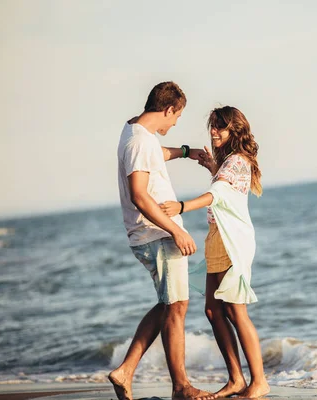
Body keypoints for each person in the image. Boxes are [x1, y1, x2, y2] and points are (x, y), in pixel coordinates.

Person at [110, 81, 213, 400]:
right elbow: (140, 196)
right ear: (168, 109)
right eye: (177, 116)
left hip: (151, 234)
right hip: (155, 234)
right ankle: (181, 387)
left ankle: (125, 370)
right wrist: (176, 230)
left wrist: (184, 152)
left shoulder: (136, 133)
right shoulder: (139, 142)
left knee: (171, 303)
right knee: (177, 306)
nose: (176, 122)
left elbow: (154, 155)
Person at [160, 106, 270, 399]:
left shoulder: (236, 161)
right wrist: (212, 167)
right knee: (213, 310)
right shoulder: (229, 163)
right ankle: (236, 379)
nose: (213, 131)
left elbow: (219, 195)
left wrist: (181, 207)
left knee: (235, 310)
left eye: (220, 127)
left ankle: (258, 382)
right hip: (217, 239)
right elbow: (226, 188)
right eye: (212, 126)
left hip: (231, 241)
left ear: (234, 129)